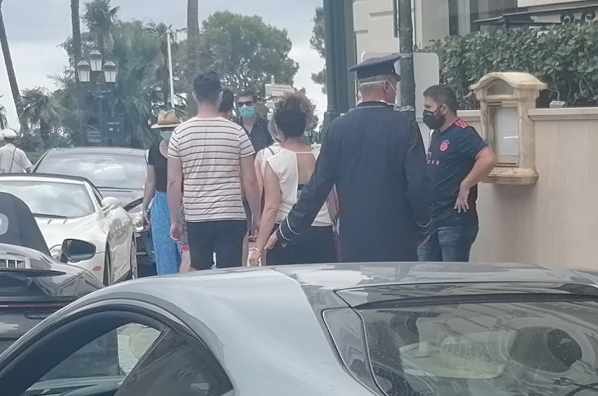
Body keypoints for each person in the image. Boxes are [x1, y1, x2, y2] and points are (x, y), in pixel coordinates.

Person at [276, 54, 429, 263]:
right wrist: (423, 226)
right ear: (386, 86)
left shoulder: (337, 129)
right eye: (394, 85)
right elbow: (419, 185)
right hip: (397, 240)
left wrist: (287, 230)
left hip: (353, 242)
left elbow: (317, 187)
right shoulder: (405, 126)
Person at [164, 71, 260, 270]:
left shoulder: (180, 134)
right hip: (231, 214)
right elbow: (250, 181)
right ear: (219, 96)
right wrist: (257, 217)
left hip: (197, 216)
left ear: (194, 96)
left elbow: (173, 183)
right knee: (230, 272)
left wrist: (175, 220)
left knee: (200, 272)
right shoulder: (237, 133)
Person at [248, 95, 334, 265]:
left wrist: (258, 249)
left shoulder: (274, 161)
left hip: (285, 232)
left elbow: (272, 208)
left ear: (278, 127)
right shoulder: (321, 156)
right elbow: (331, 199)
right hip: (322, 230)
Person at [417, 84, 493, 262]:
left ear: (443, 108)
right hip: (432, 221)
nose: (425, 113)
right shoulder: (436, 134)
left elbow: (488, 158)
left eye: (428, 107)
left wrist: (466, 184)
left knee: (452, 280)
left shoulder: (463, 133)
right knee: (424, 279)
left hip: (454, 222)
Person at [143, 136, 179, 275]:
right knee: (164, 251)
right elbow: (151, 180)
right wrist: (145, 206)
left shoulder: (183, 146)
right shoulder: (154, 150)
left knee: (186, 252)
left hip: (182, 201)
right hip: (161, 203)